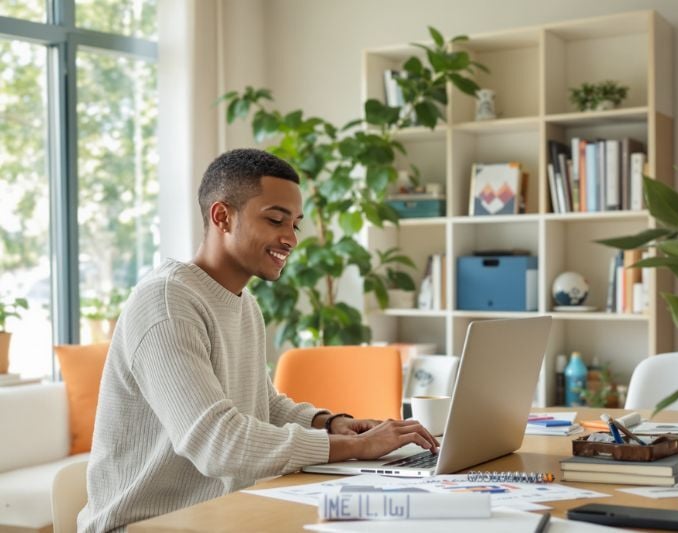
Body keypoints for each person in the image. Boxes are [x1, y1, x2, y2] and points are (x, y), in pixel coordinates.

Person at [78, 149, 438, 532]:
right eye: (275, 220)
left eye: (295, 224)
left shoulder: (243, 303)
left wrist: (331, 424)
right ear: (222, 217)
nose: (291, 239)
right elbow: (218, 443)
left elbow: (261, 404)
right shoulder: (166, 302)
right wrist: (354, 448)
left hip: (221, 516)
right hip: (148, 526)